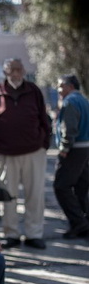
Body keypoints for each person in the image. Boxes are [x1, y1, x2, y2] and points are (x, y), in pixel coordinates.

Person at [0, 58, 51, 250]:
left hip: (33, 151)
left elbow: (43, 119)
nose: (16, 72)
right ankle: (11, 233)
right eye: (12, 69)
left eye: (19, 69)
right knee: (9, 196)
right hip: (5, 154)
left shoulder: (33, 90)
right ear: (5, 72)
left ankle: (33, 234)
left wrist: (44, 143)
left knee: (35, 194)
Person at [53, 74, 89, 238]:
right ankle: (84, 221)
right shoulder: (83, 100)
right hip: (84, 149)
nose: (59, 90)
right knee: (81, 186)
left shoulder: (70, 102)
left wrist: (64, 149)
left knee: (61, 186)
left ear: (70, 86)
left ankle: (79, 223)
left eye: (60, 86)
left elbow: (70, 129)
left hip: (75, 149)